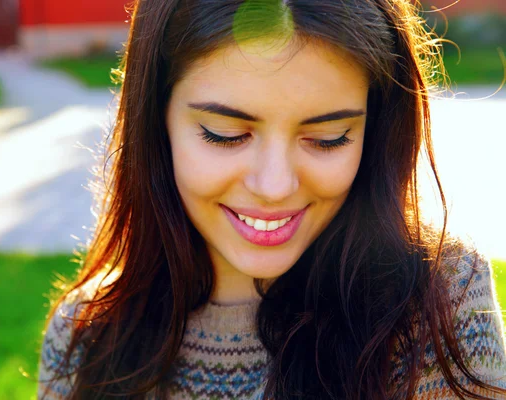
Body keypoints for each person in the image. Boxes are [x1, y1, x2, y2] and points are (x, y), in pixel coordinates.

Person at [37, 0, 506, 399]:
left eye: (329, 137)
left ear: (376, 129)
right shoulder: (85, 338)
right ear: (156, 122)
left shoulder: (440, 303)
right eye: (225, 135)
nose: (275, 186)